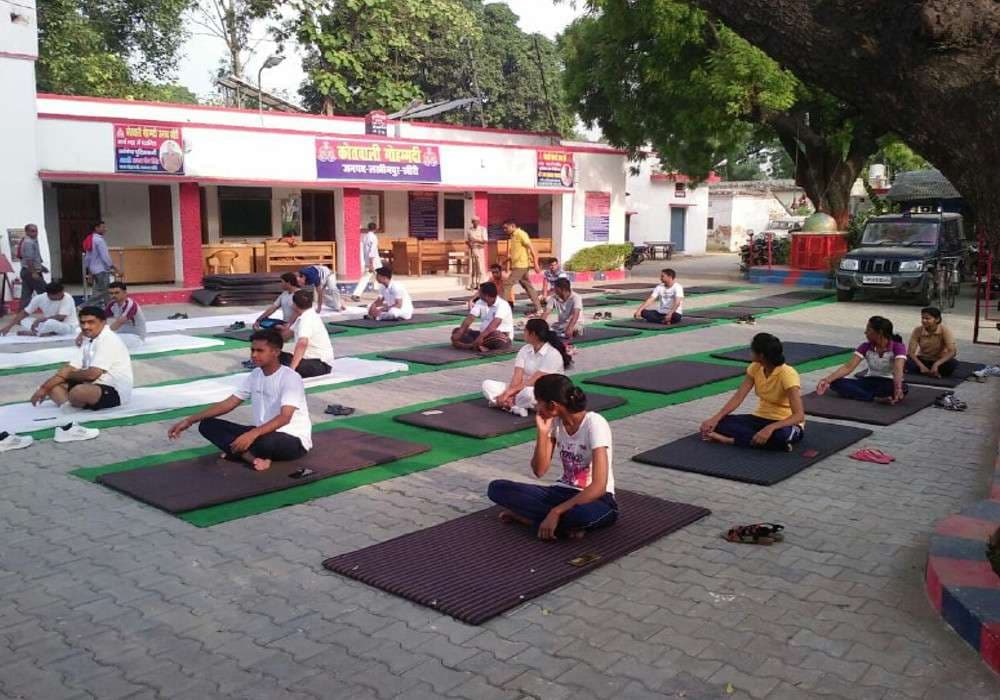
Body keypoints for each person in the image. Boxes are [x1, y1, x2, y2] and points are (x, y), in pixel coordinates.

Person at [487, 374, 617, 540]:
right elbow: (539, 471)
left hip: (596, 498)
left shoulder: (594, 423)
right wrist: (542, 433)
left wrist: (556, 511)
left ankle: (530, 519)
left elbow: (599, 486)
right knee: (497, 488)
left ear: (553, 405)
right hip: (561, 492)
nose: (536, 406)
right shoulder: (556, 422)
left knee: (580, 516)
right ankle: (560, 527)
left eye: (538, 401)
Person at [167, 329, 312, 472]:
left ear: (276, 352)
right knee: (207, 425)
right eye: (252, 350)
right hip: (261, 433)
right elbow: (229, 403)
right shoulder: (255, 375)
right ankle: (250, 457)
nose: (254, 355)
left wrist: (252, 434)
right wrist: (190, 420)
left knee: (265, 442)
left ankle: (240, 452)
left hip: (292, 440)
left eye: (260, 351)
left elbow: (285, 418)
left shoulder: (290, 378)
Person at [30, 307, 133, 442]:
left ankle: (72, 405)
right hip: (92, 384)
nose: (86, 327)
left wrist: (66, 375)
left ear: (103, 322)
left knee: (77, 392)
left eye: (91, 322)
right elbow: (70, 367)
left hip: (114, 390)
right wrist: (44, 388)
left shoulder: (108, 339)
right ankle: (73, 412)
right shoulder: (89, 339)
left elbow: (92, 375)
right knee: (52, 386)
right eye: (83, 323)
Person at [700, 333, 805, 451]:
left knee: (780, 436)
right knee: (720, 423)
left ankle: (730, 440)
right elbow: (739, 396)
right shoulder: (755, 367)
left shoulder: (788, 374)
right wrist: (716, 418)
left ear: (761, 355)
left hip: (784, 424)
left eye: (752, 351)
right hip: (760, 418)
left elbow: (799, 416)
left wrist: (770, 428)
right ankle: (767, 444)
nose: (750, 353)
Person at [482, 318, 573, 417]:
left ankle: (505, 404)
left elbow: (533, 381)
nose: (523, 332)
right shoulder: (524, 350)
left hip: (545, 393)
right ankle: (514, 406)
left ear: (533, 334)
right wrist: (509, 393)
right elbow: (517, 377)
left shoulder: (552, 354)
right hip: (522, 388)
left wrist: (508, 393)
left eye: (525, 330)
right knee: (487, 385)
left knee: (528, 394)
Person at [817, 316, 908, 404]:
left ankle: (866, 395)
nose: (865, 332)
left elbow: (898, 369)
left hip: (889, 382)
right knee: (836, 383)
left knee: (901, 388)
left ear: (879, 332)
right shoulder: (865, 346)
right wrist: (827, 380)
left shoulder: (898, 347)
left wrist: (898, 388)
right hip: (869, 380)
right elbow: (848, 367)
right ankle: (874, 398)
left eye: (868, 330)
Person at [279, 290, 334, 378]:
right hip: (314, 361)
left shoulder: (306, 319)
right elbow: (286, 336)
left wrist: (292, 368)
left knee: (274, 359)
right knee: (274, 354)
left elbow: (302, 343)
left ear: (294, 304)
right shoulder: (305, 316)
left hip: (320, 364)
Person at [452, 282, 514, 352]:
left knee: (498, 338)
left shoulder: (503, 305)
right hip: (483, 335)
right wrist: (460, 332)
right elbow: (470, 318)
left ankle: (471, 345)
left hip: (499, 336)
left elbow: (494, 325)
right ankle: (477, 346)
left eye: (480, 292)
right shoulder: (480, 302)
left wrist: (480, 337)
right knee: (456, 331)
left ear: (486, 295)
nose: (478, 294)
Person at [0, 281, 78, 337]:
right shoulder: (39, 298)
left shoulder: (67, 297)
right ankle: (45, 332)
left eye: (62, 293)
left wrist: (40, 320)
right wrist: (9, 327)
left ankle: (37, 333)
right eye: (58, 295)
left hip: (67, 327)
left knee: (50, 323)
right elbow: (25, 312)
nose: (61, 296)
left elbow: (61, 317)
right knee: (23, 320)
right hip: (46, 324)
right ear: (49, 294)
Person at [501, 219, 542, 315]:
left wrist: (536, 264)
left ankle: (502, 310)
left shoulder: (521, 234)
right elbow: (516, 252)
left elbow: (531, 248)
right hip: (518, 265)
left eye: (506, 228)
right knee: (528, 287)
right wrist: (506, 261)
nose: (504, 230)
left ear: (512, 226)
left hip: (521, 265)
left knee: (507, 285)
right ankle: (539, 308)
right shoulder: (513, 236)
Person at [90, 281, 146, 349]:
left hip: (136, 337)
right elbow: (101, 318)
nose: (113, 295)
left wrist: (102, 334)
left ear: (125, 293)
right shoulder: (112, 304)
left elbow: (119, 322)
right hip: (121, 334)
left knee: (105, 341)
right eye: (111, 293)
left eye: (117, 293)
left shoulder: (131, 305)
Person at [906, 306, 958, 378]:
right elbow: (911, 352)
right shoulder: (918, 330)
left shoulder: (944, 330)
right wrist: (921, 366)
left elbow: (952, 351)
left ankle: (929, 372)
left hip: (939, 360)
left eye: (927, 318)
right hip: (923, 359)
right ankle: (930, 372)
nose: (924, 321)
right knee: (905, 360)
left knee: (952, 364)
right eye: (922, 318)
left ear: (937, 319)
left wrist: (936, 364)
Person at [15, 223, 47, 310]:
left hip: (26, 271)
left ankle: (20, 316)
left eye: (36, 231)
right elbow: (29, 260)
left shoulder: (31, 240)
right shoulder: (29, 242)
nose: (35, 233)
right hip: (31, 272)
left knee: (26, 295)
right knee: (46, 292)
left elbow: (34, 258)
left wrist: (42, 267)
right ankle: (53, 313)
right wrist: (34, 273)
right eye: (32, 231)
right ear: (27, 232)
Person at [83, 221, 115, 306]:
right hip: (102, 270)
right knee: (104, 290)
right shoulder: (99, 240)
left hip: (94, 270)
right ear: (96, 228)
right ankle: (83, 306)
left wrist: (89, 272)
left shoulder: (89, 239)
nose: (105, 229)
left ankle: (109, 307)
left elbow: (88, 258)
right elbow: (105, 257)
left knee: (101, 290)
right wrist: (113, 267)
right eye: (103, 227)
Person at [352, 223, 381, 299]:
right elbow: (372, 251)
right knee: (382, 277)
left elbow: (365, 251)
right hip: (374, 262)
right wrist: (371, 264)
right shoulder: (373, 237)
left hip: (367, 261)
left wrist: (368, 262)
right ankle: (384, 295)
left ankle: (356, 294)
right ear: (375, 229)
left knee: (365, 278)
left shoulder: (365, 237)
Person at [466, 216, 488, 289]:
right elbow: (467, 240)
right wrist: (469, 244)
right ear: (472, 222)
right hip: (472, 249)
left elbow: (485, 241)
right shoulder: (469, 230)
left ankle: (481, 283)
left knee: (480, 267)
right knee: (472, 267)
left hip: (479, 249)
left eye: (476, 221)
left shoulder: (482, 229)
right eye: (473, 221)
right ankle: (472, 284)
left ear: (478, 222)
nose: (475, 222)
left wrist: (475, 240)